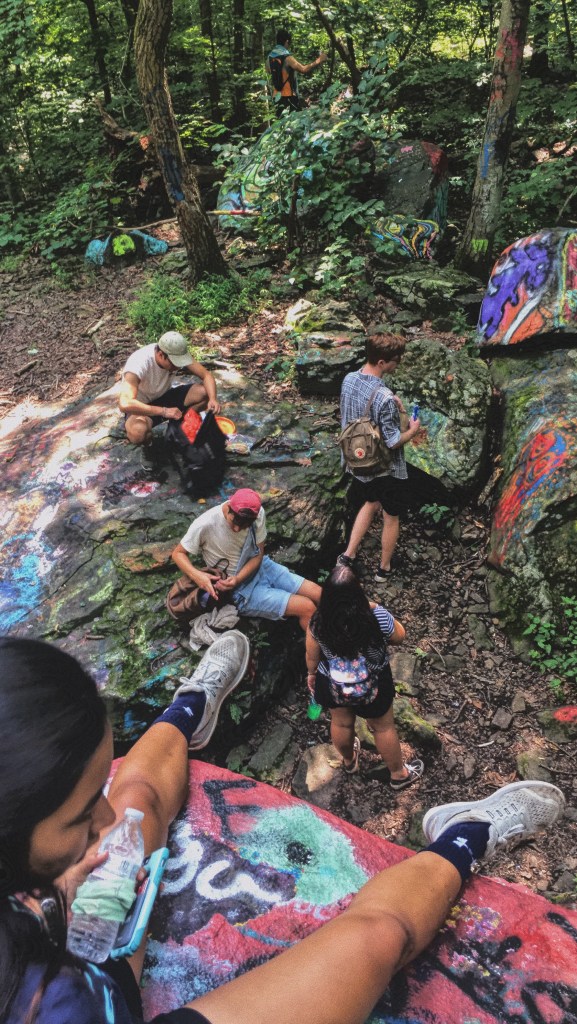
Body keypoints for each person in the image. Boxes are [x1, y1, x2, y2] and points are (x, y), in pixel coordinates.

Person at [0, 634, 566, 1024]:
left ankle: (191, 706)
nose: (104, 824)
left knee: (137, 800)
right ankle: (466, 836)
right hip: (84, 1003)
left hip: (72, 960)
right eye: (81, 816)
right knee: (375, 941)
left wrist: (53, 889)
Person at [306, 565, 424, 788]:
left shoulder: (317, 621)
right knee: (383, 727)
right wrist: (375, 607)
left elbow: (311, 655)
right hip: (375, 682)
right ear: (358, 591)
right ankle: (399, 775)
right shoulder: (375, 615)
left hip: (333, 684)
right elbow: (400, 636)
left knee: (341, 723)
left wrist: (312, 674)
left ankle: (349, 761)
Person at [171, 488, 321, 631]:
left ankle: (330, 631)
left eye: (244, 526)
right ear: (229, 507)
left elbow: (258, 554)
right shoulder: (206, 523)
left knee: (319, 593)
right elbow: (178, 554)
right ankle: (320, 648)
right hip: (240, 592)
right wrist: (198, 576)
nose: (237, 529)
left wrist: (238, 578)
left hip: (262, 567)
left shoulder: (259, 514)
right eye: (234, 522)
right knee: (307, 607)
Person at [338, 333, 420, 581]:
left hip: (357, 459)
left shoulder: (349, 379)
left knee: (370, 502)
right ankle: (384, 569)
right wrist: (413, 429)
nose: (399, 363)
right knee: (391, 515)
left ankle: (347, 556)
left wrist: (394, 407)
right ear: (382, 362)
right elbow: (393, 441)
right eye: (396, 360)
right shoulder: (383, 396)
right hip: (384, 467)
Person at [118, 331, 220, 446]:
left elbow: (206, 376)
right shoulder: (138, 363)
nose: (178, 366)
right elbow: (125, 404)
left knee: (205, 393)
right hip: (142, 407)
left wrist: (213, 399)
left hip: (165, 396)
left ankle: (180, 424)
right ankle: (150, 445)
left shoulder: (176, 351)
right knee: (138, 433)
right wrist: (164, 411)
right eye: (175, 363)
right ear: (161, 355)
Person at [266, 29, 327, 113]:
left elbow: (269, 71)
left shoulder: (269, 57)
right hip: (289, 96)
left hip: (276, 96)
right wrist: (319, 60)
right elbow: (303, 69)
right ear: (287, 41)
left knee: (280, 120)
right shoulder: (287, 57)